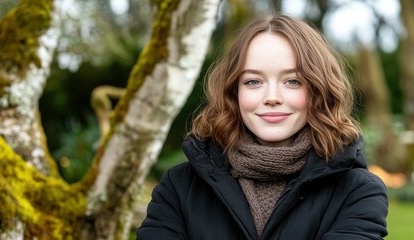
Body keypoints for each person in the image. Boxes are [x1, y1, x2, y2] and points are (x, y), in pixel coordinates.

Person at [136, 13, 388, 240]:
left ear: (318, 90)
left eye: (292, 81)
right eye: (254, 81)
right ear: (233, 92)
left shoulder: (359, 191)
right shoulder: (179, 187)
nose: (272, 96)